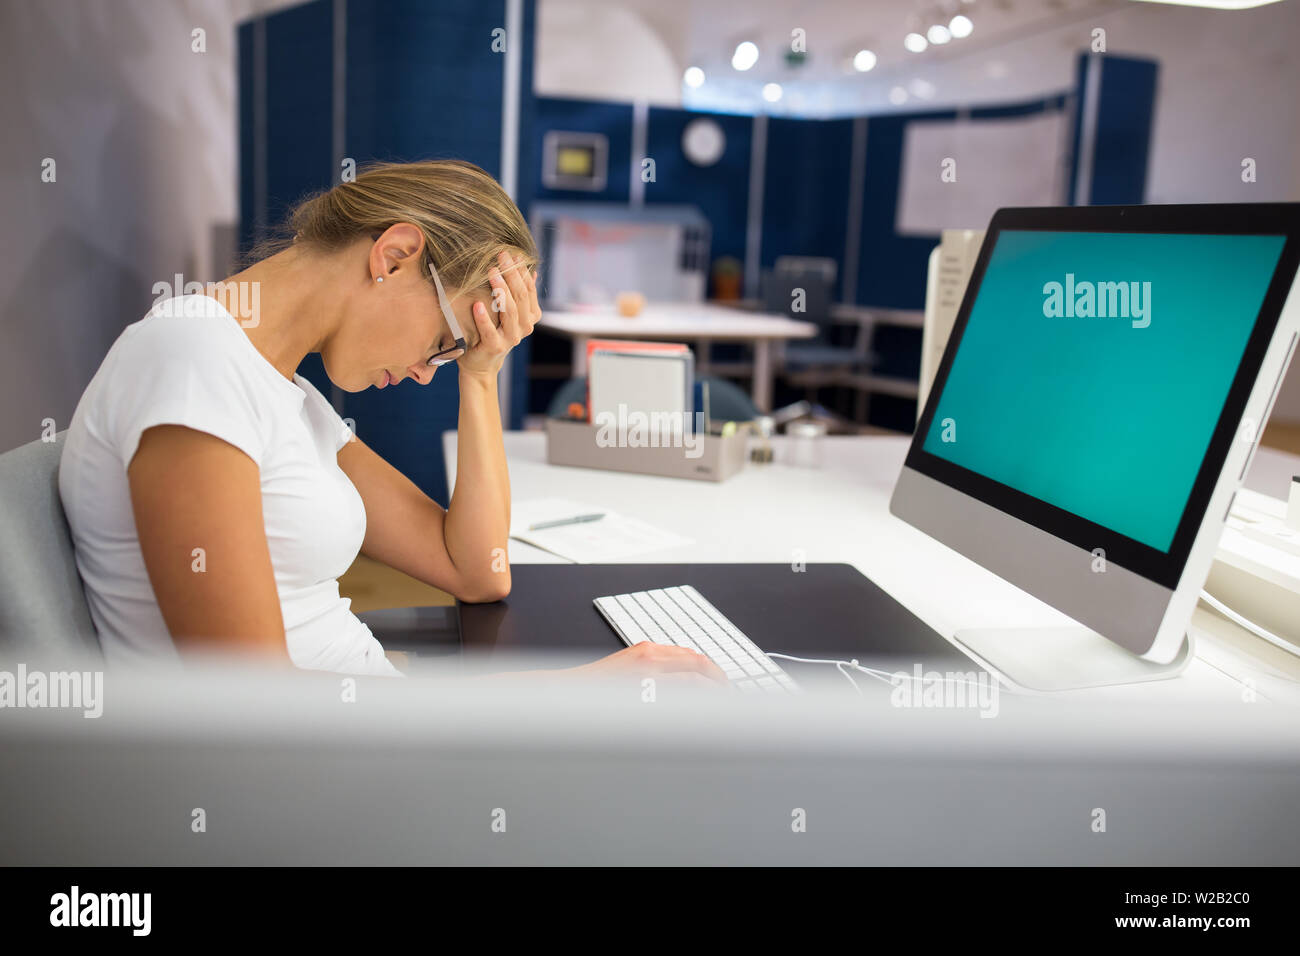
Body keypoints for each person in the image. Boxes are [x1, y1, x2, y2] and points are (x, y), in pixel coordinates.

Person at [58, 159, 725, 686]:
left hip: (373, 745)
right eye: (444, 339)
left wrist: (481, 373)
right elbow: (252, 706)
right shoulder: (195, 363)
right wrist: (565, 695)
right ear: (395, 254)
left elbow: (478, 570)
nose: (425, 371)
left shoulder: (282, 389)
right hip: (310, 782)